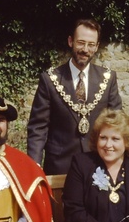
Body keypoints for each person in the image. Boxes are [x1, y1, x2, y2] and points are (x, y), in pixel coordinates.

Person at [27, 18, 122, 175]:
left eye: (91, 45)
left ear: (97, 47)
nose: (85, 49)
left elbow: (118, 123)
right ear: (71, 41)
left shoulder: (108, 78)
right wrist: (33, 168)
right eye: (81, 42)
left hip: (98, 165)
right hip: (60, 167)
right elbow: (38, 128)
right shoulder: (50, 79)